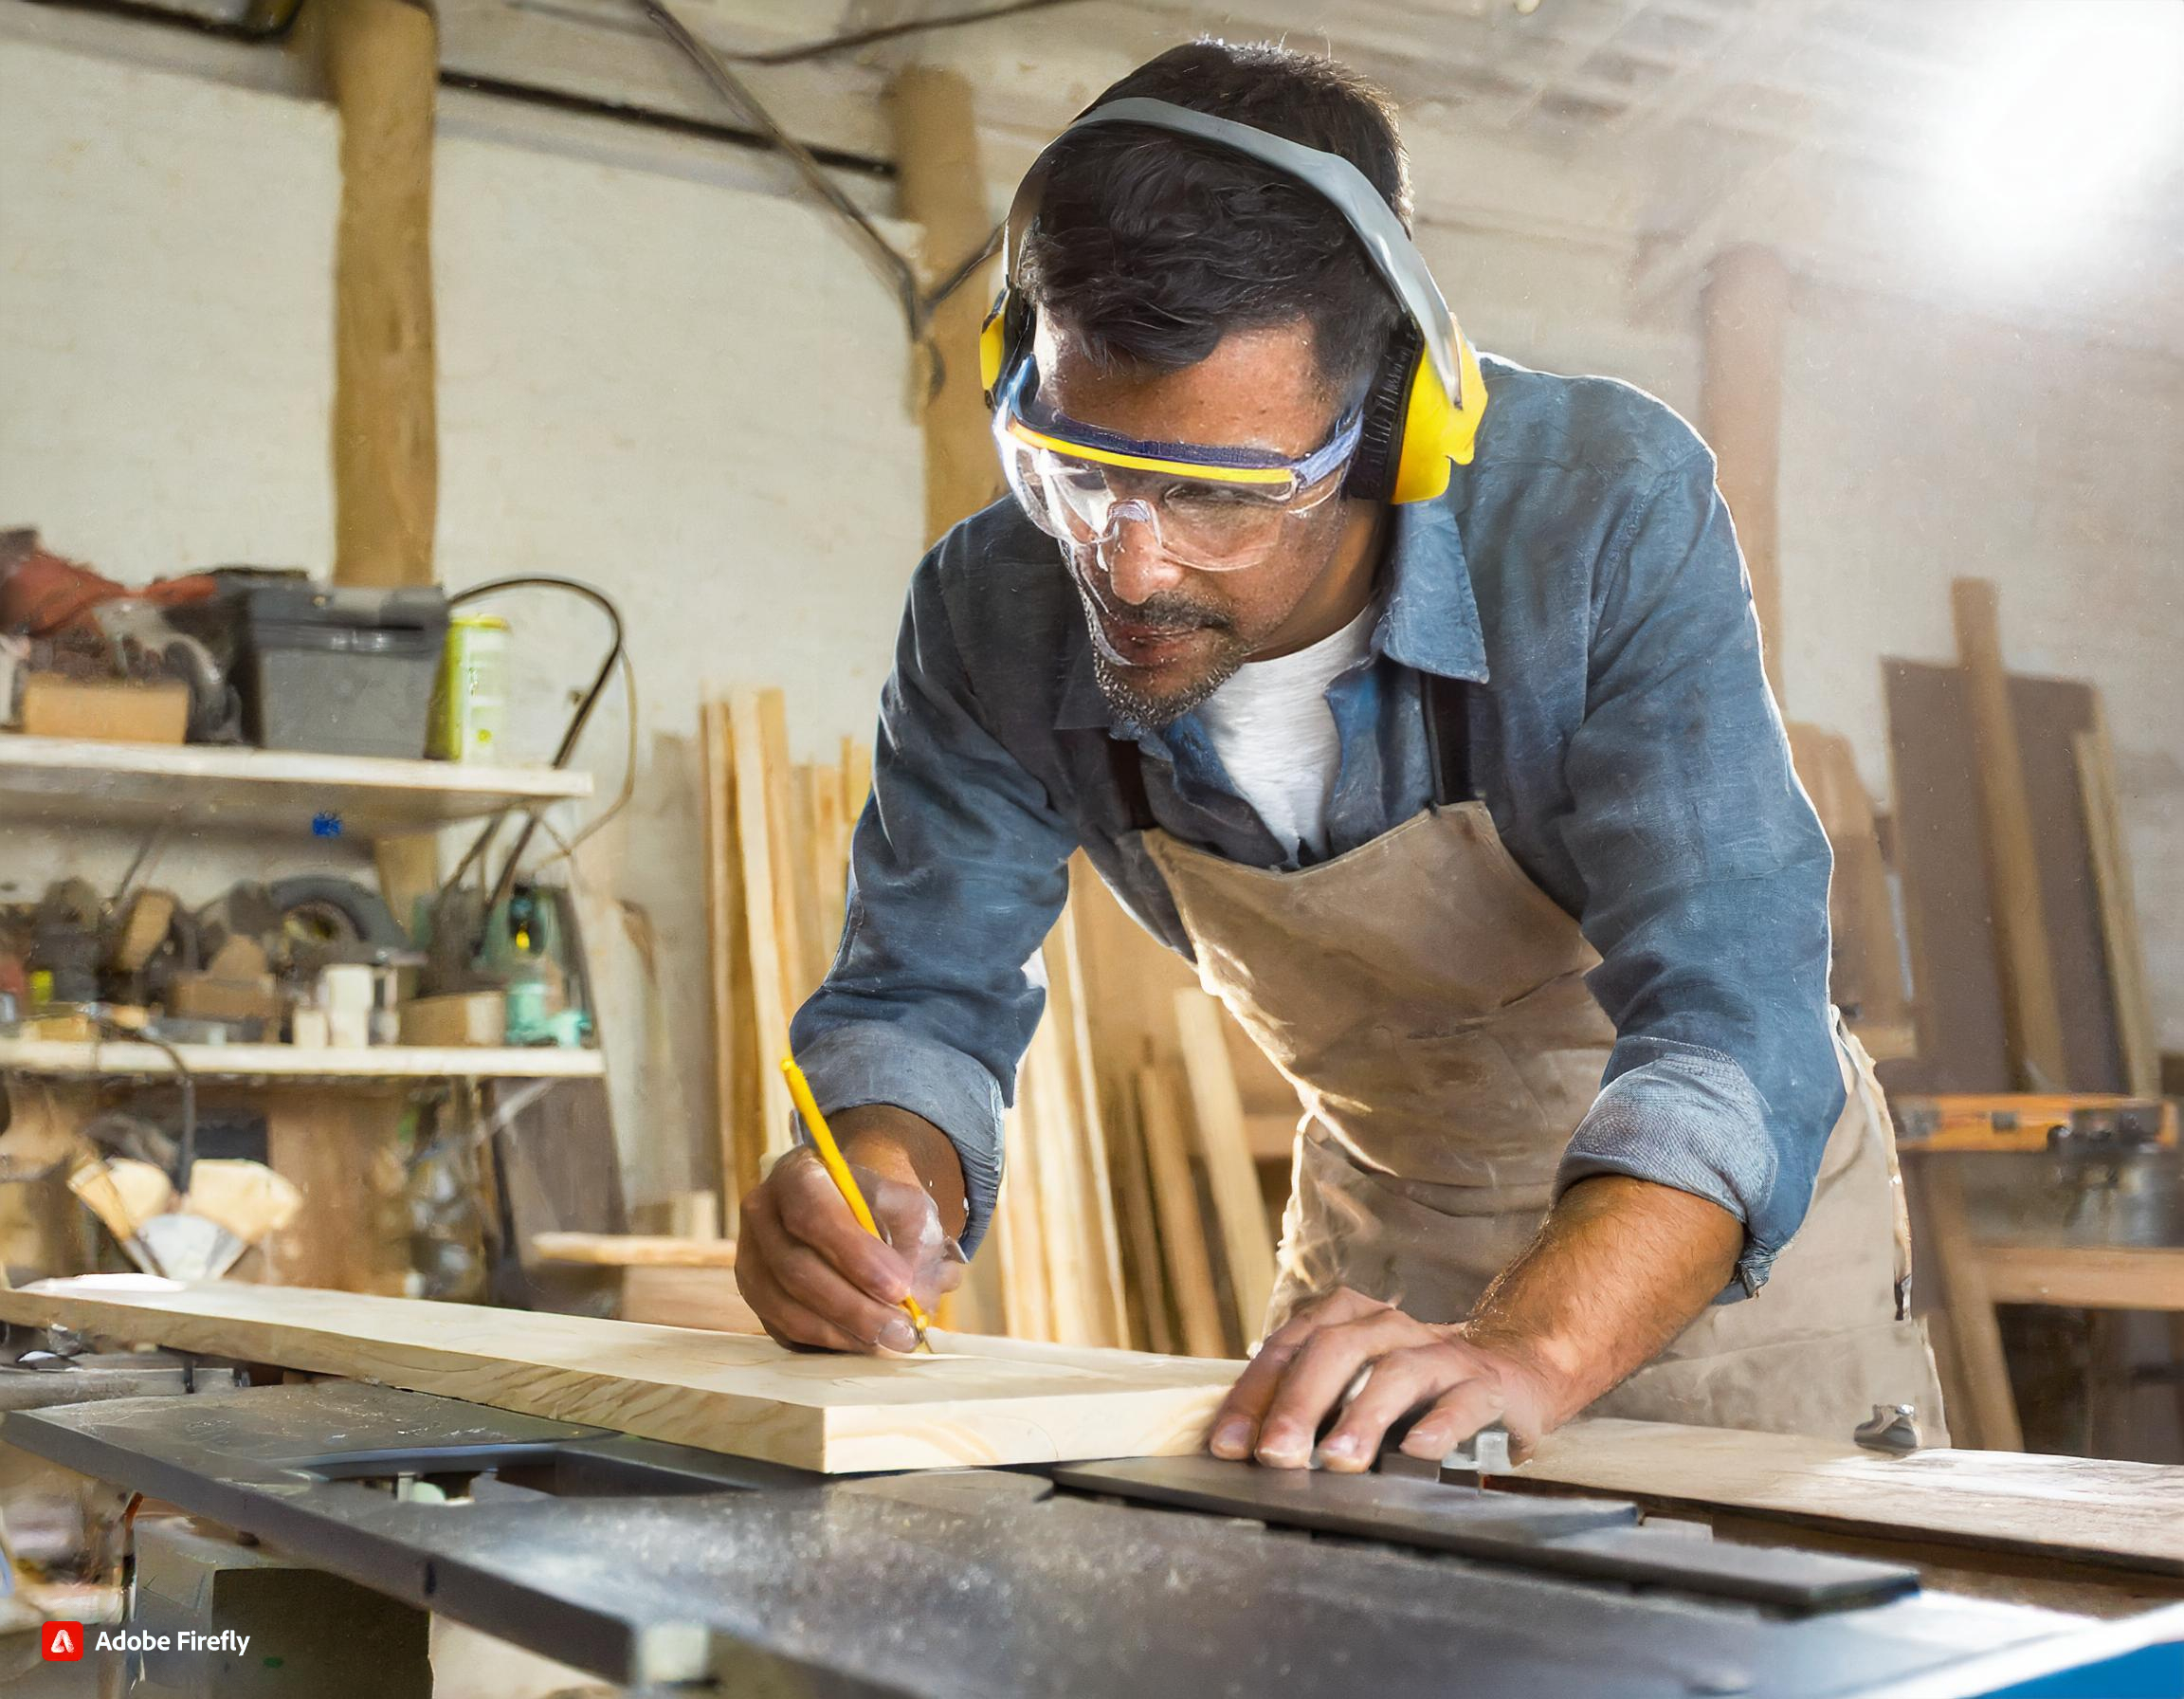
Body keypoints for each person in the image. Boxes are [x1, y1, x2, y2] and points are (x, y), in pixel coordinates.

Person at [734, 39, 1943, 1470]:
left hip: (1704, 1257)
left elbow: (1737, 1017)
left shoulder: (1603, 516)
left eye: (1215, 497)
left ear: (1389, 425)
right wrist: (873, 1181)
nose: (1127, 565)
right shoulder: (992, 609)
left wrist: (1531, 1345)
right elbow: (921, 997)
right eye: (1070, 466)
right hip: (1386, 1236)